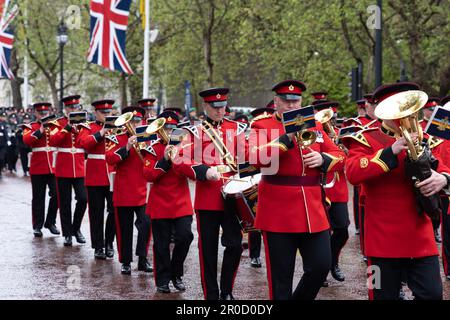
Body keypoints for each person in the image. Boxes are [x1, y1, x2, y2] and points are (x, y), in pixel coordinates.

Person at [343, 82, 450, 300]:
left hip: (421, 237)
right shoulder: (364, 138)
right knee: (381, 295)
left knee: (432, 294)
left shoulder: (425, 139)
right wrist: (389, 151)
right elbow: (353, 172)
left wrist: (443, 179)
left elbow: (445, 167)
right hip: (381, 241)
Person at [249, 80, 346, 300]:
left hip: (313, 208)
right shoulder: (261, 126)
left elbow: (341, 156)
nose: (292, 105)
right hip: (278, 210)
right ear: (276, 102)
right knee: (281, 278)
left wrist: (323, 159)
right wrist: (286, 139)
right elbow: (254, 159)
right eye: (286, 101)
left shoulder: (315, 125)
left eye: (296, 101)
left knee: (321, 266)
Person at [175, 87, 247, 300]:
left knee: (235, 245)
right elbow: (180, 160)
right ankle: (212, 295)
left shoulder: (238, 129)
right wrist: (204, 171)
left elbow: (249, 156)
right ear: (205, 107)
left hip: (233, 195)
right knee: (208, 251)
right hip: (208, 198)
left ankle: (226, 291)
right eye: (215, 107)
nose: (220, 111)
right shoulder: (194, 132)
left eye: (223, 106)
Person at [142, 111, 194, 293]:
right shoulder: (151, 149)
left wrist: (179, 157)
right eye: (166, 128)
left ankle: (176, 273)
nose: (169, 132)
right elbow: (148, 175)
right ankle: (162, 280)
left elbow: (191, 172)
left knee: (186, 237)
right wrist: (164, 159)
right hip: (160, 202)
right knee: (162, 244)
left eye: (173, 128)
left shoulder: (186, 147)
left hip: (181, 202)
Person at [105, 106, 152, 275]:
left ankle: (142, 258)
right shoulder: (115, 136)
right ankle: (125, 261)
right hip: (124, 189)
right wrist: (126, 147)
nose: (134, 124)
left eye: (138, 121)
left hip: (143, 188)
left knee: (146, 224)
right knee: (124, 228)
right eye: (132, 121)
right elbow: (109, 158)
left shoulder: (147, 136)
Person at [313, 101, 350, 285]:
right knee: (322, 232)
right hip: (320, 186)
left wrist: (344, 149)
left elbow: (348, 158)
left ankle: (333, 260)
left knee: (342, 229)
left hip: (338, 187)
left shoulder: (342, 133)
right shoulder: (314, 131)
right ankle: (322, 270)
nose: (331, 120)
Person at [77, 100, 116, 259]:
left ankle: (109, 243)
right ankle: (98, 246)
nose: (107, 115)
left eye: (109, 112)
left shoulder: (118, 128)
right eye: (103, 112)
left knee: (113, 211)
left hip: (112, 174)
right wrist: (101, 133)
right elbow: (83, 143)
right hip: (95, 175)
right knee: (96, 212)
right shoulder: (88, 127)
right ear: (96, 113)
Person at [48, 95, 87, 247]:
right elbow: (53, 141)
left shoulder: (84, 124)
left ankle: (76, 229)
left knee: (83, 199)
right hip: (63, 167)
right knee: (65, 203)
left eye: (75, 107)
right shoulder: (57, 123)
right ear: (65, 108)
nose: (73, 110)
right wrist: (66, 128)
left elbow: (85, 142)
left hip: (79, 167)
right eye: (70, 107)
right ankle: (67, 234)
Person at [22, 103, 59, 237]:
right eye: (40, 113)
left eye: (45, 113)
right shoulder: (30, 127)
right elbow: (27, 140)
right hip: (38, 166)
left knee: (56, 194)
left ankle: (50, 222)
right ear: (35, 113)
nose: (43, 115)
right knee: (38, 197)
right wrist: (41, 129)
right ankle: (37, 225)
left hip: (54, 166)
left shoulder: (55, 126)